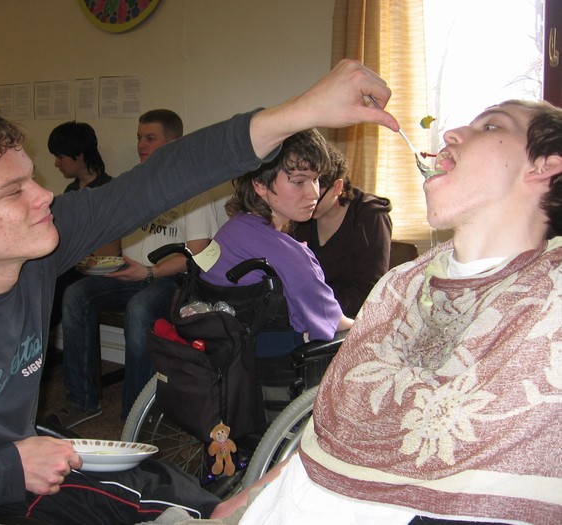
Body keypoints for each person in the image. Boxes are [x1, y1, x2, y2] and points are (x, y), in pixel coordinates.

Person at [0, 59, 399, 524]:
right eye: (13, 191)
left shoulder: (35, 256)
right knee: (164, 507)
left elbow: (163, 177)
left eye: (34, 179)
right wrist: (7, 468)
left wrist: (302, 111)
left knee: (161, 481)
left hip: (15, 457)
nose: (44, 196)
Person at [203, 98, 562, 525]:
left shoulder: (548, 298)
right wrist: (254, 495)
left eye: (491, 126)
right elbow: (330, 430)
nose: (451, 134)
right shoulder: (399, 285)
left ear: (544, 166)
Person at [53, 109, 218, 426]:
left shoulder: (194, 187)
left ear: (174, 143)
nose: (141, 144)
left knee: (140, 308)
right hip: (132, 274)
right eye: (139, 137)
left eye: (150, 138)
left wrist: (150, 272)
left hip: (172, 280)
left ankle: (136, 416)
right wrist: (97, 261)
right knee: (76, 294)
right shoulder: (135, 183)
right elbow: (114, 242)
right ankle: (82, 401)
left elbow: (198, 255)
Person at [197, 128, 353, 357]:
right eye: (299, 182)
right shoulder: (292, 255)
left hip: (226, 352)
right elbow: (337, 323)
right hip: (270, 359)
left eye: (315, 179)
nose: (313, 193)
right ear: (260, 183)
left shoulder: (230, 231)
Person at [293, 143, 392, 318]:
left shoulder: (369, 216)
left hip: (352, 318)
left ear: (337, 188)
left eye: (316, 196)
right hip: (310, 312)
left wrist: (320, 312)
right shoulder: (299, 216)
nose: (307, 201)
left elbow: (369, 289)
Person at [47, 121, 118, 329]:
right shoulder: (71, 191)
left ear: (79, 156)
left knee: (58, 286)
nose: (56, 163)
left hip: (95, 267)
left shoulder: (107, 190)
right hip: (72, 263)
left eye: (60, 157)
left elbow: (109, 250)